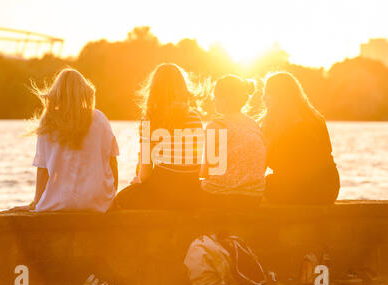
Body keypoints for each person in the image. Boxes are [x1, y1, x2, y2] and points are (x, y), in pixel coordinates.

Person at [9, 68, 119, 212]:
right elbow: (112, 161)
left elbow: (42, 170)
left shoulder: (48, 122)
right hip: (98, 201)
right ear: (85, 92)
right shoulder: (99, 118)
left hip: (59, 202)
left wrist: (36, 203)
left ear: (56, 93)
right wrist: (111, 196)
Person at [114, 63, 204, 210]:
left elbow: (145, 174)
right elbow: (195, 163)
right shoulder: (194, 118)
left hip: (163, 192)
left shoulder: (150, 120)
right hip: (191, 191)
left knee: (119, 201)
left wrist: (138, 180)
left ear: (154, 90)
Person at [262, 72, 340, 205]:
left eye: (266, 94)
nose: (263, 98)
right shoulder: (316, 118)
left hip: (295, 189)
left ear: (275, 97)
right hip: (328, 189)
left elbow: (262, 163)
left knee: (257, 189)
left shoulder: (274, 125)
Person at [200, 75, 266, 210]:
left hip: (220, 197)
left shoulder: (216, 125)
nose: (213, 100)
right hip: (253, 198)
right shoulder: (254, 125)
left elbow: (205, 171)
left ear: (225, 99)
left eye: (216, 96)